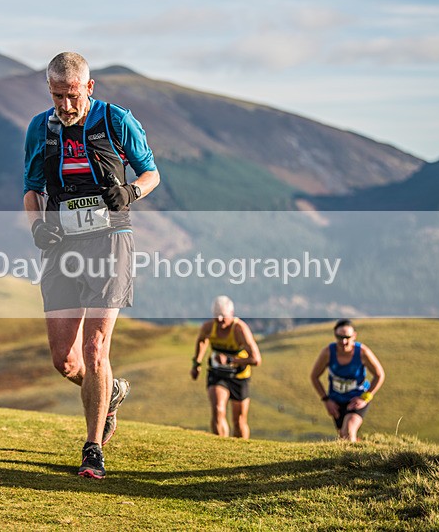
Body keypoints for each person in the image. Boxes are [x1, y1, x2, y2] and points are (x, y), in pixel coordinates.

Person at [23, 52, 160, 479]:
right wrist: (37, 228)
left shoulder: (115, 120)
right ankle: (110, 394)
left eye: (71, 95)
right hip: (64, 246)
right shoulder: (39, 128)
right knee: (65, 361)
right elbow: (31, 191)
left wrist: (131, 193)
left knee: (96, 348)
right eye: (56, 95)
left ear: (89, 88)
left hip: (110, 242)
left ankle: (93, 448)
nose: (64, 105)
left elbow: (151, 173)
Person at [191, 296, 262, 438]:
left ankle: (241, 452)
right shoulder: (209, 327)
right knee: (218, 410)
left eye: (223, 316)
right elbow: (201, 341)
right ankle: (220, 447)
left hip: (239, 376)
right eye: (216, 316)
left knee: (239, 420)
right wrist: (196, 364)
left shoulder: (240, 330)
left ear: (232, 313)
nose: (220, 320)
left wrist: (230, 359)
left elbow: (256, 359)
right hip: (217, 374)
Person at [309, 319, 385, 442]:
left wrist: (365, 397)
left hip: (356, 400)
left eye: (347, 337)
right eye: (339, 337)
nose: (343, 341)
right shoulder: (328, 352)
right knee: (343, 436)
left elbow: (379, 375)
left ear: (354, 336)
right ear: (335, 335)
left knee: (348, 431)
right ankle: (361, 450)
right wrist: (326, 400)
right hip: (336, 401)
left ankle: (355, 461)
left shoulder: (362, 352)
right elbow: (314, 376)